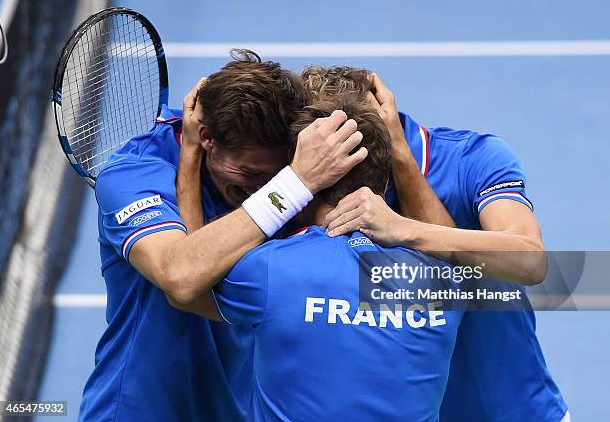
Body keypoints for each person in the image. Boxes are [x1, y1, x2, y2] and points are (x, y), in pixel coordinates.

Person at [79, 50, 367, 421]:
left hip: (236, 407)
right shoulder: (134, 174)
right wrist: (292, 184)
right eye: (249, 172)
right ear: (207, 138)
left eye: (274, 175)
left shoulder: (296, 166)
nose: (261, 187)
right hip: (141, 409)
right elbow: (180, 276)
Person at [308, 66, 569, 421]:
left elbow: (530, 260)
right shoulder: (304, 174)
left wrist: (403, 217)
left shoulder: (473, 159)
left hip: (510, 412)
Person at [185, 96, 466, 421]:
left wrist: (191, 156)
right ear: (384, 182)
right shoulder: (447, 281)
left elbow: (189, 281)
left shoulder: (269, 268)